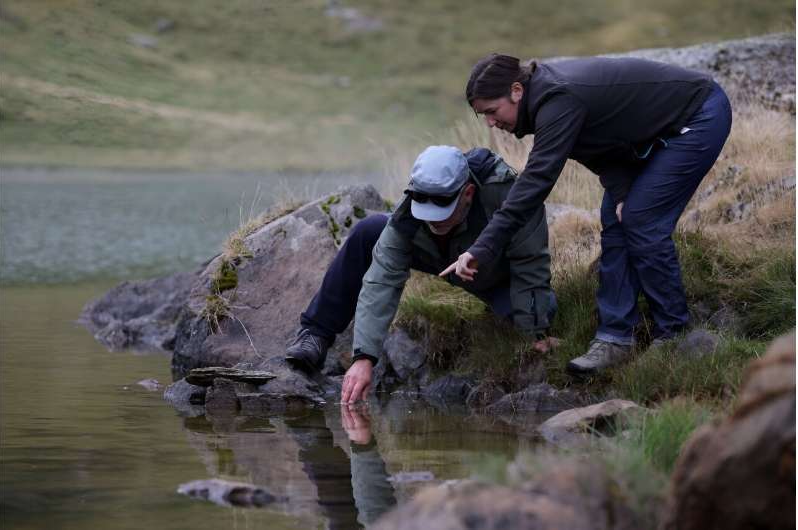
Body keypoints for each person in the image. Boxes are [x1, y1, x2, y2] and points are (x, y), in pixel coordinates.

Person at [442, 53, 733, 375]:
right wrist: (621, 192)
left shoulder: (557, 99)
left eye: (492, 112)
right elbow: (600, 146)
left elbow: (536, 182)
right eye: (484, 116)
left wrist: (481, 248)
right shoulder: (547, 103)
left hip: (699, 115)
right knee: (617, 219)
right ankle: (614, 339)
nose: (491, 123)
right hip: (654, 135)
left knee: (642, 220)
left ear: (516, 90)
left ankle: (675, 334)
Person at [286, 145, 557, 403]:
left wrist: (533, 332)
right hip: (438, 258)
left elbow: (530, 261)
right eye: (422, 203)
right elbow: (382, 279)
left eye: (442, 206)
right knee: (368, 231)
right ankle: (316, 335)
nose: (432, 218)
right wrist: (363, 357)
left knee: (542, 314)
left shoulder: (508, 196)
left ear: (468, 194)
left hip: (493, 274)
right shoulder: (410, 210)